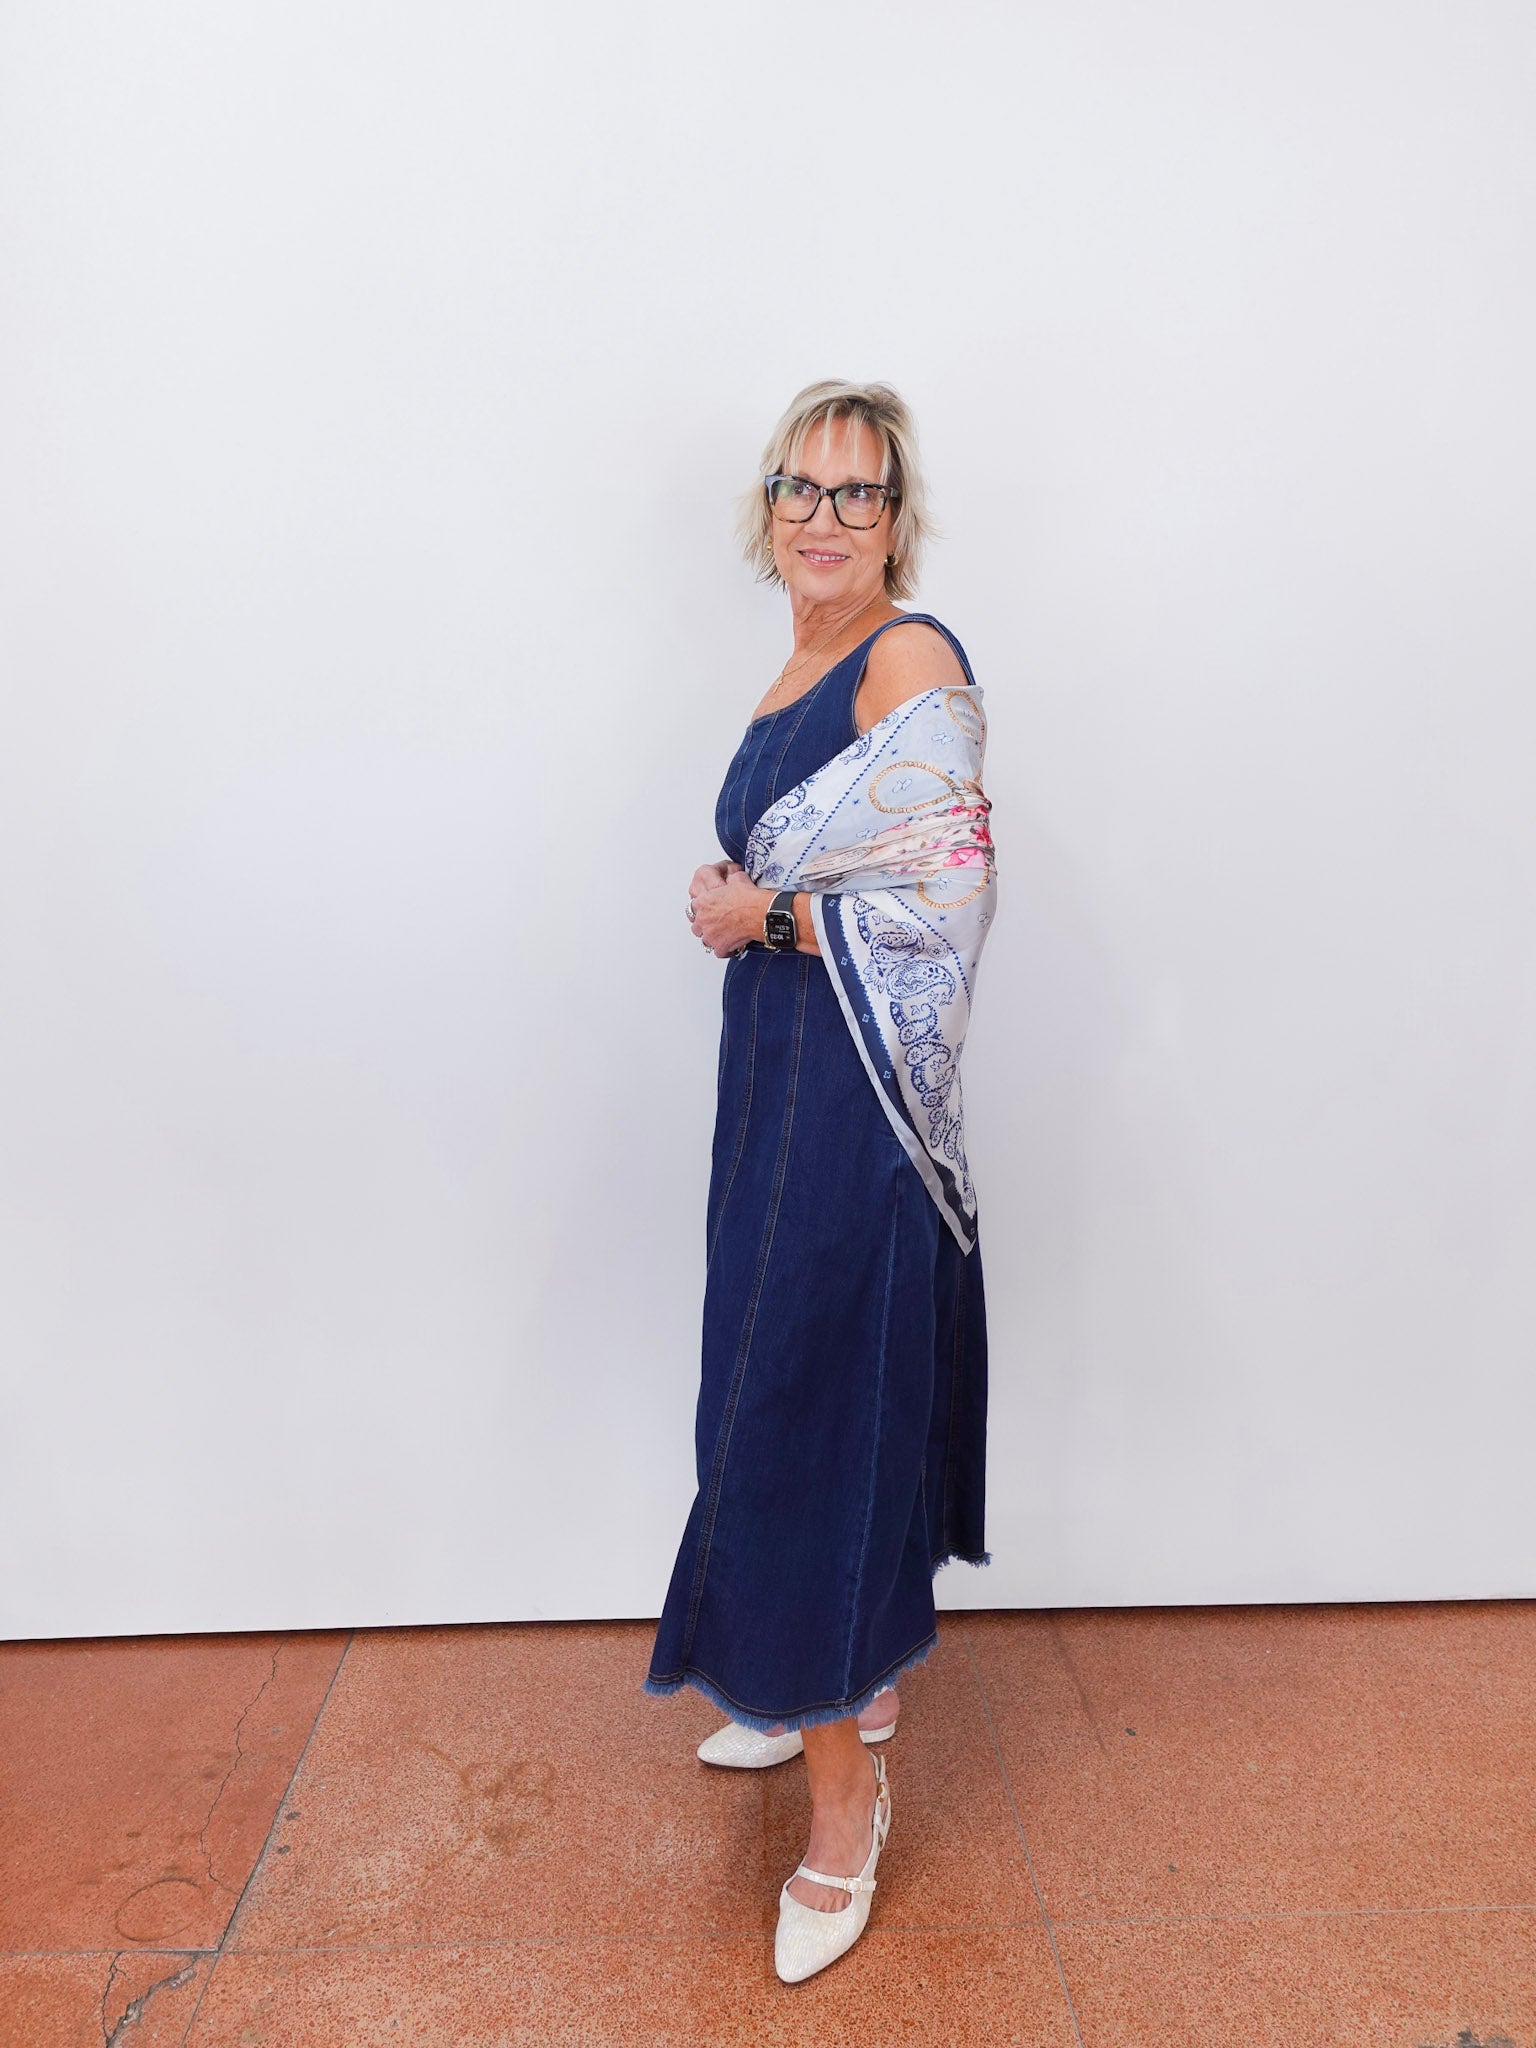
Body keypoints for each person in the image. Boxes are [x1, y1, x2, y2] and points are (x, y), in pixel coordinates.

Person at [644, 379, 997, 1983]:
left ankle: (846, 1816)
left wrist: (764, 919)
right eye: (800, 485)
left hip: (854, 1115)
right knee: (765, 1387)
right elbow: (832, 859)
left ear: (897, 520)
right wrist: (746, 895)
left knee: (809, 1406)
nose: (823, 516)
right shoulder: (796, 661)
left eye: (858, 493)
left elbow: (952, 903)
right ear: (765, 507)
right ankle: (833, 1685)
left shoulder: (907, 657)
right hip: (773, 1089)